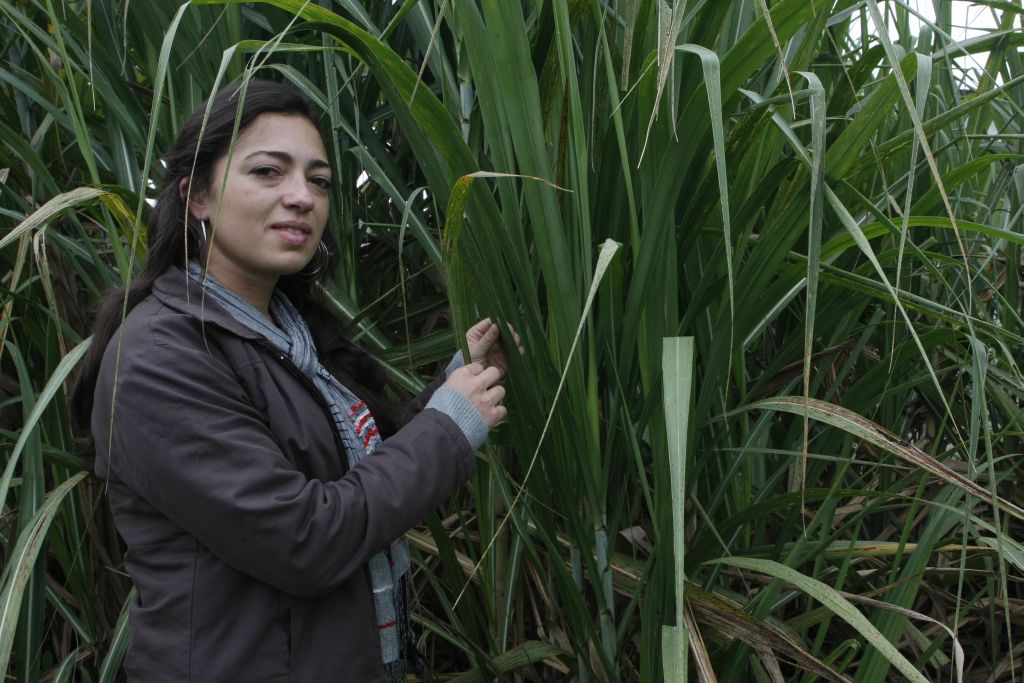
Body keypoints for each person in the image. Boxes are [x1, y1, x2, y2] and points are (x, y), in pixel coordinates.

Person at [71, 79, 510, 682]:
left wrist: (454, 386)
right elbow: (304, 540)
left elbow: (354, 471)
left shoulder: (288, 331)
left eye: (319, 180)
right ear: (196, 196)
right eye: (267, 172)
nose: (302, 197)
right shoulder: (157, 357)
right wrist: (448, 428)